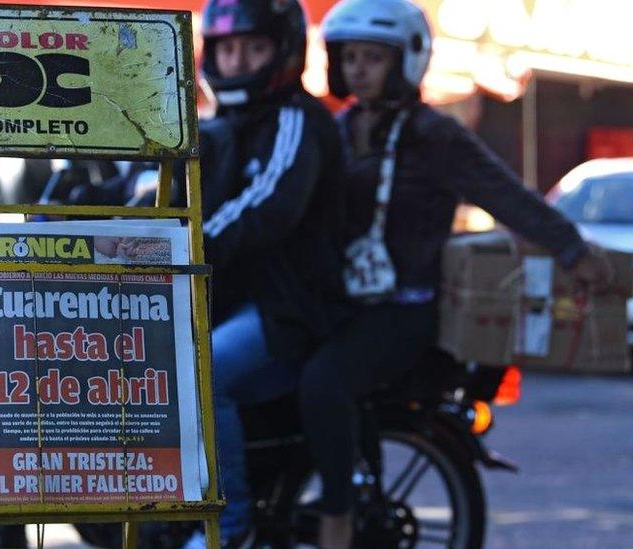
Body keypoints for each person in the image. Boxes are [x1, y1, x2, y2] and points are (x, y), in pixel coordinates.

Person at [301, 1, 615, 547]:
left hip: (405, 310)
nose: (358, 70)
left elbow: (505, 193)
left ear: (408, 61)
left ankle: (338, 514)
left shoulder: (432, 133)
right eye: (349, 57)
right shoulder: (339, 127)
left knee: (324, 383)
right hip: (345, 301)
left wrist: (570, 247)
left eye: (373, 58)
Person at [180, 0, 347, 546]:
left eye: (254, 47)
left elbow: (268, 203)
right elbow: (167, 193)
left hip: (288, 306)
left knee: (204, 375)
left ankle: (229, 528)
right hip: (230, 296)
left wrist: (188, 243)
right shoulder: (220, 124)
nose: (238, 60)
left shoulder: (297, 118)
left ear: (286, 50)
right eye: (227, 48)